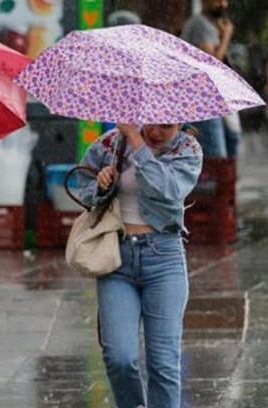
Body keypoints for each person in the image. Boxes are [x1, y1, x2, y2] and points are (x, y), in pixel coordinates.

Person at [75, 124, 203, 408]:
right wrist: (101, 184)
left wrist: (136, 140)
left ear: (180, 122)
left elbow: (167, 189)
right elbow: (83, 185)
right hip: (116, 258)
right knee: (118, 356)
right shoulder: (111, 143)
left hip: (164, 257)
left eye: (167, 126)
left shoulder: (186, 149)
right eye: (152, 123)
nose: (157, 132)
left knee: (163, 362)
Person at [181, 0, 237, 158]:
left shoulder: (211, 25)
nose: (223, 4)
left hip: (212, 101)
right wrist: (226, 36)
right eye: (217, 0)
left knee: (230, 142)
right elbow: (212, 65)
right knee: (216, 156)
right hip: (202, 102)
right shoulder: (200, 24)